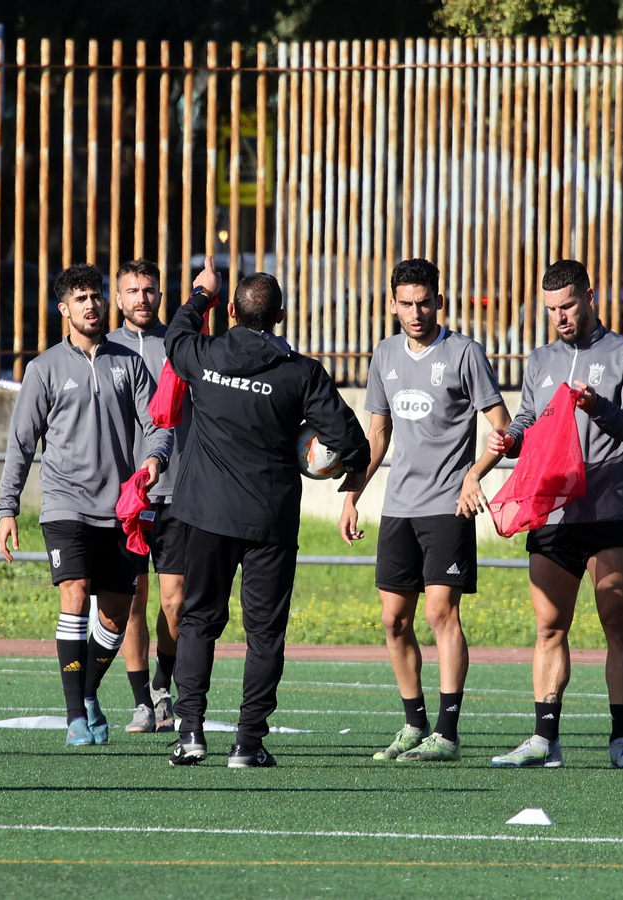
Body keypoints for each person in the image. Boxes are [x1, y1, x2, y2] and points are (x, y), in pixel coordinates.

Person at [165, 259, 370, 768]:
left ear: (231, 310)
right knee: (264, 635)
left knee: (198, 622)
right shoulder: (301, 372)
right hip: (269, 521)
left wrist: (199, 294)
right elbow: (350, 441)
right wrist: (341, 468)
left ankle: (190, 732)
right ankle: (248, 743)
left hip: (206, 514)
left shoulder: (204, 353)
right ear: (280, 315)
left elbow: (175, 335)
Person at [479, 260, 623, 770]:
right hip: (553, 510)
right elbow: (530, 419)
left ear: (590, 297)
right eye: (551, 309)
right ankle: (544, 740)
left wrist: (599, 407)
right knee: (550, 627)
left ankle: (621, 740)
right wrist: (510, 438)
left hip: (608, 511)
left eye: (568, 305)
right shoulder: (541, 359)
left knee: (616, 619)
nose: (560, 316)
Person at [0, 263, 173, 747]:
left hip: (120, 509)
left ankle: (87, 693)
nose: (90, 305)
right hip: (65, 505)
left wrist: (155, 457)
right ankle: (76, 716)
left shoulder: (127, 363)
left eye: (95, 297)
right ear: (63, 309)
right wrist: (6, 508)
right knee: (74, 593)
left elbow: (158, 422)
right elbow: (22, 443)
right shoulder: (44, 368)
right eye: (80, 299)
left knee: (115, 616)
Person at [340, 258, 509, 763]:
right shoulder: (385, 355)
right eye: (406, 304)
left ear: (440, 301)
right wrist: (353, 494)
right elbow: (378, 434)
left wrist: (473, 475)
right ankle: (414, 725)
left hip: (447, 506)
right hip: (399, 508)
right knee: (394, 620)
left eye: (424, 302)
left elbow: (502, 431)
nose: (416, 312)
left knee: (440, 613)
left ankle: (448, 733)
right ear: (392, 305)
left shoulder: (464, 353)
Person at [104, 259, 187, 734]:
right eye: (132, 290)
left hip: (177, 493)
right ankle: (141, 701)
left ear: (161, 295)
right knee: (132, 597)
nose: (141, 298)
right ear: (118, 298)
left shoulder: (180, 345)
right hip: (125, 498)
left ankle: (162, 685)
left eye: (149, 289)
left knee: (175, 601)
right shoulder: (106, 348)